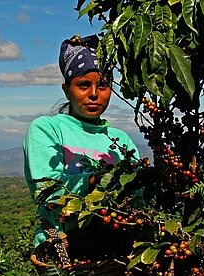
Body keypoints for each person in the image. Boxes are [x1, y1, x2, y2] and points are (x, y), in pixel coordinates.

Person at [23, 34, 140, 256]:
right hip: (67, 250)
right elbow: (49, 193)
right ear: (67, 89)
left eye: (103, 85)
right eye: (83, 85)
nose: (94, 94)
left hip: (120, 250)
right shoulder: (47, 129)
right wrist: (99, 179)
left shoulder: (120, 139)